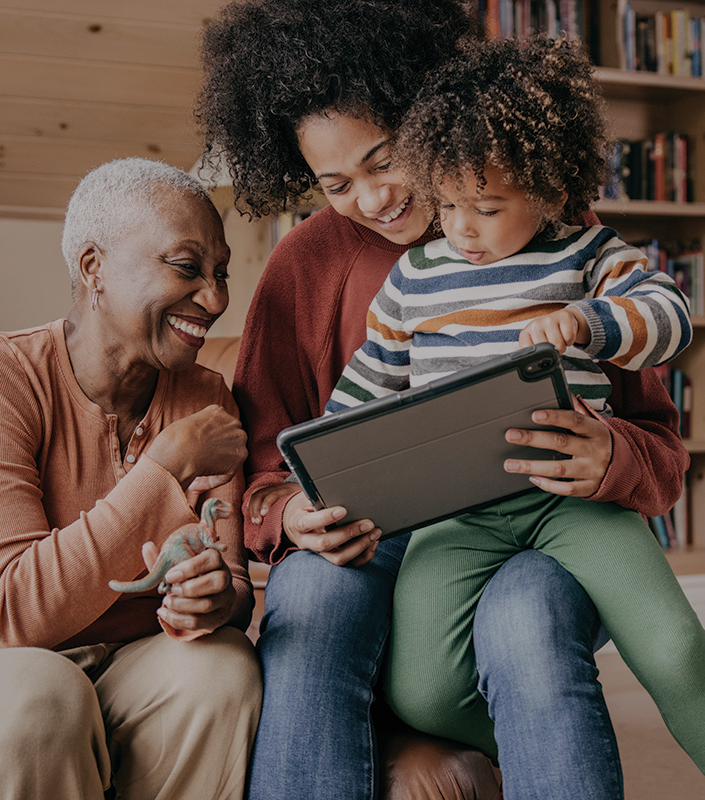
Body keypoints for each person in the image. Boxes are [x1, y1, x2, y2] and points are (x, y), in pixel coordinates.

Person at [196, 3, 691, 798]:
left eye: (385, 159)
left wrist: (610, 455)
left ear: (424, 123)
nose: (373, 198)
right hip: (383, 534)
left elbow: (659, 445)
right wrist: (289, 510)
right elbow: (267, 459)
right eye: (335, 184)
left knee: (526, 615)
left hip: (543, 518)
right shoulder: (306, 264)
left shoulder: (545, 228)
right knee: (312, 595)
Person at [327, 35, 705, 778]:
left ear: (551, 190)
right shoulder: (411, 280)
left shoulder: (588, 251)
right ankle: (549, 762)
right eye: (450, 203)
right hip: (458, 513)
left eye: (489, 206)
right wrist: (325, 477)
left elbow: (671, 314)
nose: (462, 226)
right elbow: (365, 392)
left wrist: (592, 322)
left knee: (675, 647)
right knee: (423, 691)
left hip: (573, 499)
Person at [0, 158, 262, 800]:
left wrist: (216, 600)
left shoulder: (205, 399)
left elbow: (234, 586)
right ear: (93, 268)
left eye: (220, 273)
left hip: (121, 663)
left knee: (222, 670)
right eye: (187, 268)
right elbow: (14, 615)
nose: (214, 298)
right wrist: (164, 468)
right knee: (43, 694)